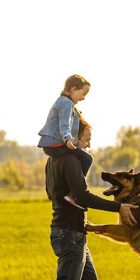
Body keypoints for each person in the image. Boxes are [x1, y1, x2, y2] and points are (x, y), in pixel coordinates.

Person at [28, 120, 138, 280]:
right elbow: (82, 196)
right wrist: (118, 206)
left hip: (71, 231)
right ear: (73, 138)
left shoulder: (53, 160)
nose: (88, 145)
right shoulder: (69, 160)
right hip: (70, 234)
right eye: (86, 140)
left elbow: (53, 194)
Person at [38, 74, 93, 210]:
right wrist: (68, 139)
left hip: (53, 144)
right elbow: (64, 124)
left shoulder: (63, 102)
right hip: (57, 143)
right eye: (83, 93)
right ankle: (74, 193)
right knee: (87, 158)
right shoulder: (66, 103)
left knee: (79, 158)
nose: (83, 98)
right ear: (73, 89)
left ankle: (72, 190)